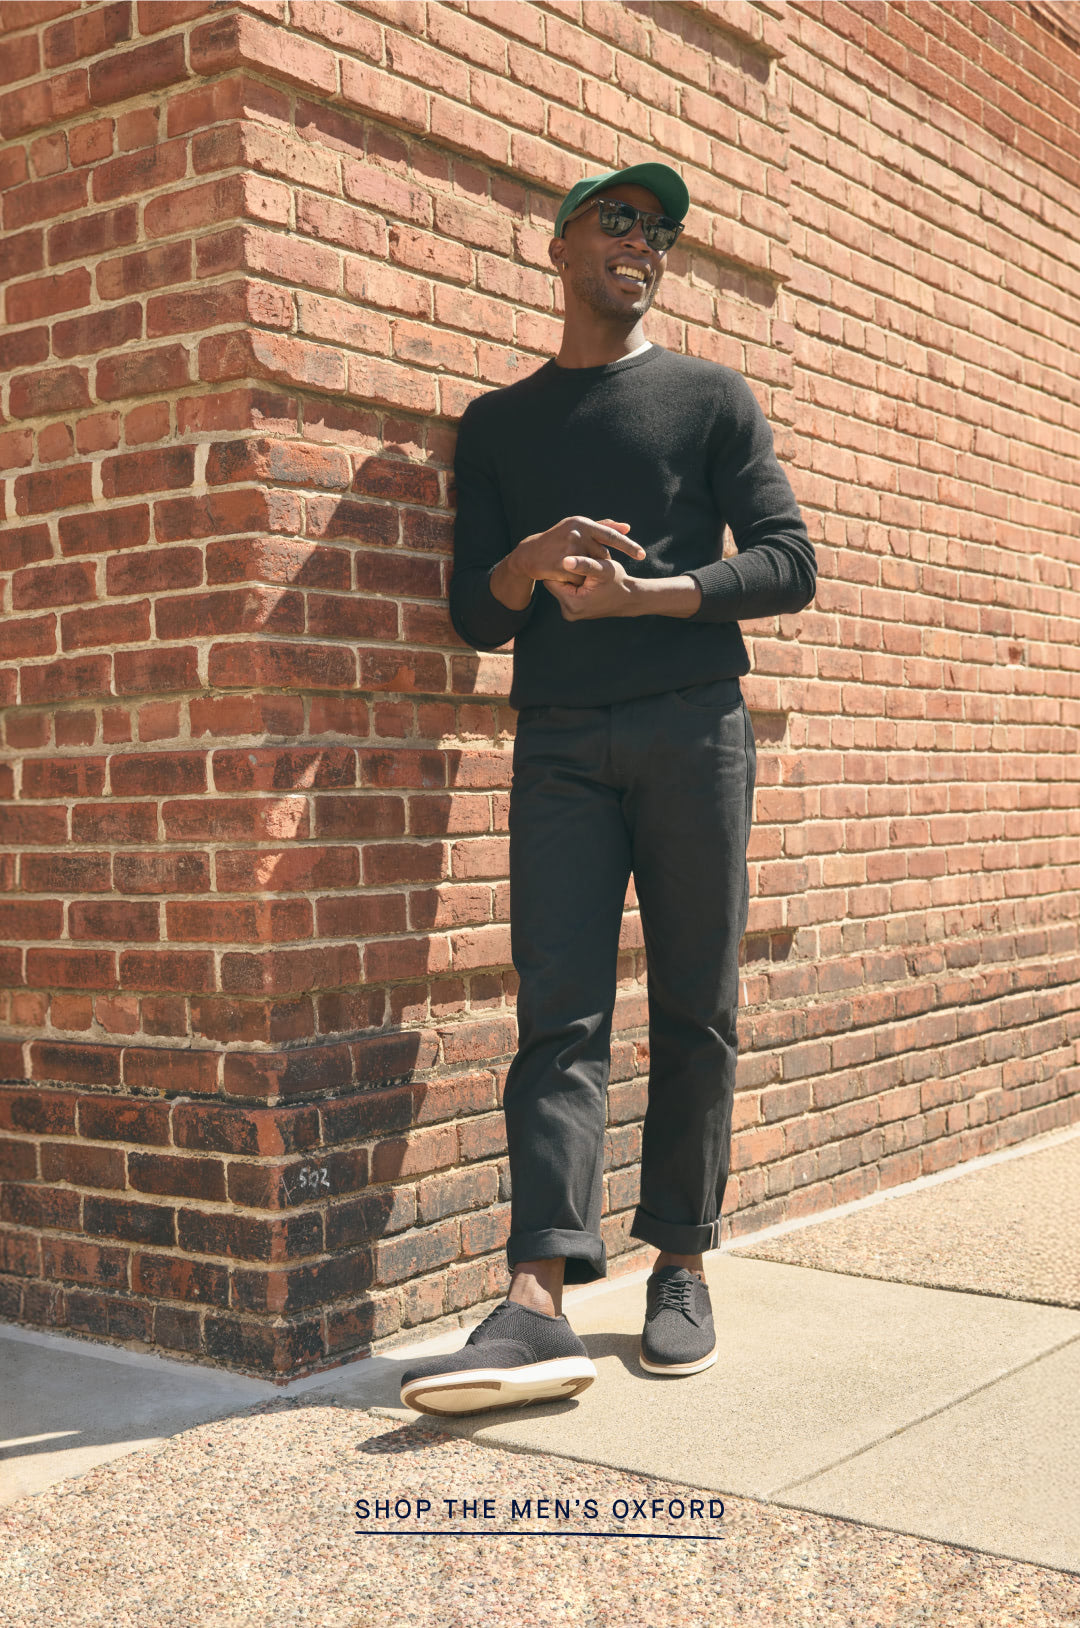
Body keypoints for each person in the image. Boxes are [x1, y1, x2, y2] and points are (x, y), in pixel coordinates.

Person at [400, 163, 816, 1416]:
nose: (645, 242)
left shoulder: (709, 397)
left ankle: (680, 1260)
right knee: (559, 1010)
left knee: (697, 1001)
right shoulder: (502, 423)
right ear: (563, 242)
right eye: (620, 220)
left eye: (663, 230)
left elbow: (792, 559)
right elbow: (475, 614)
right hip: (562, 742)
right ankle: (537, 1296)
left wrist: (659, 595)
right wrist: (525, 561)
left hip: (697, 730)